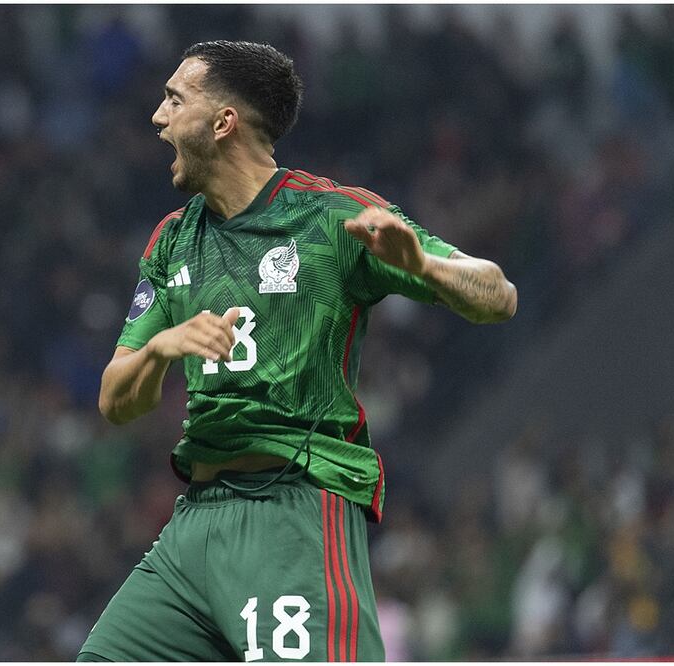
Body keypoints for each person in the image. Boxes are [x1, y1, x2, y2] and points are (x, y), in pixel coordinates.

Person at [78, 40, 516, 662]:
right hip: (194, 526)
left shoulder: (330, 219)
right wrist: (160, 350)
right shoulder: (172, 241)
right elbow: (115, 401)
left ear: (223, 122)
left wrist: (424, 266)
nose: (157, 116)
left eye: (174, 100)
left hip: (292, 513)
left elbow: (498, 294)